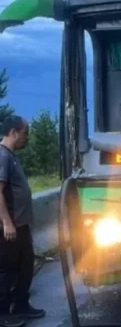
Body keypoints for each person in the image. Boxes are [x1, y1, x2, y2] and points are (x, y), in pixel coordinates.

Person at [0, 116, 45, 326]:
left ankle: (21, 305)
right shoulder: (2, 156)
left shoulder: (11, 156)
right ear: (14, 132)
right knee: (8, 271)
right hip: (10, 227)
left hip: (21, 225)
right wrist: (7, 223)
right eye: (25, 132)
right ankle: (3, 313)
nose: (27, 137)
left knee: (26, 266)